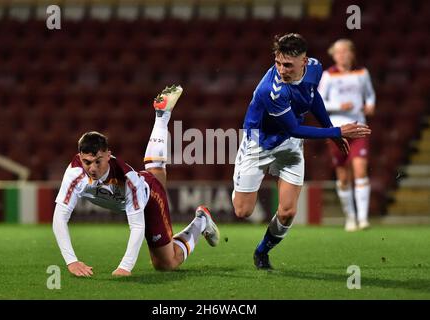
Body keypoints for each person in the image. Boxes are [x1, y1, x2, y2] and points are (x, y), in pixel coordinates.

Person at [231, 33, 371, 270]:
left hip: (289, 145)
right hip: (259, 142)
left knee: (287, 212)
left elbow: (312, 97)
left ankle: (262, 252)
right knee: (243, 211)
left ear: (304, 61)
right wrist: (336, 132)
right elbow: (295, 128)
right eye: (277, 63)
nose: (281, 69)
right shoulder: (272, 90)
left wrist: (328, 128)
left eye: (287, 64)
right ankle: (206, 217)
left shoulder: (316, 68)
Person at [52, 85, 220, 277]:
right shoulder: (75, 173)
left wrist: (125, 266)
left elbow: (138, 226)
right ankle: (162, 115)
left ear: (108, 155)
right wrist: (71, 261)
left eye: (98, 161)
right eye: (87, 162)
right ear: (80, 157)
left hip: (149, 198)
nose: (92, 168)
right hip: (144, 180)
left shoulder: (127, 180)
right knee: (154, 172)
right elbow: (59, 218)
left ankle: (201, 221)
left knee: (166, 263)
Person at [318, 39, 376, 232]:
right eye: (338, 52)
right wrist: (338, 107)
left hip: (359, 127)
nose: (342, 55)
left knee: (360, 170)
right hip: (337, 130)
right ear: (333, 55)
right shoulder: (328, 76)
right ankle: (350, 217)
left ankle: (363, 218)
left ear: (352, 53)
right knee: (343, 176)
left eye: (345, 51)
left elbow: (369, 94)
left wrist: (370, 104)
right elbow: (319, 103)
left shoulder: (362, 73)